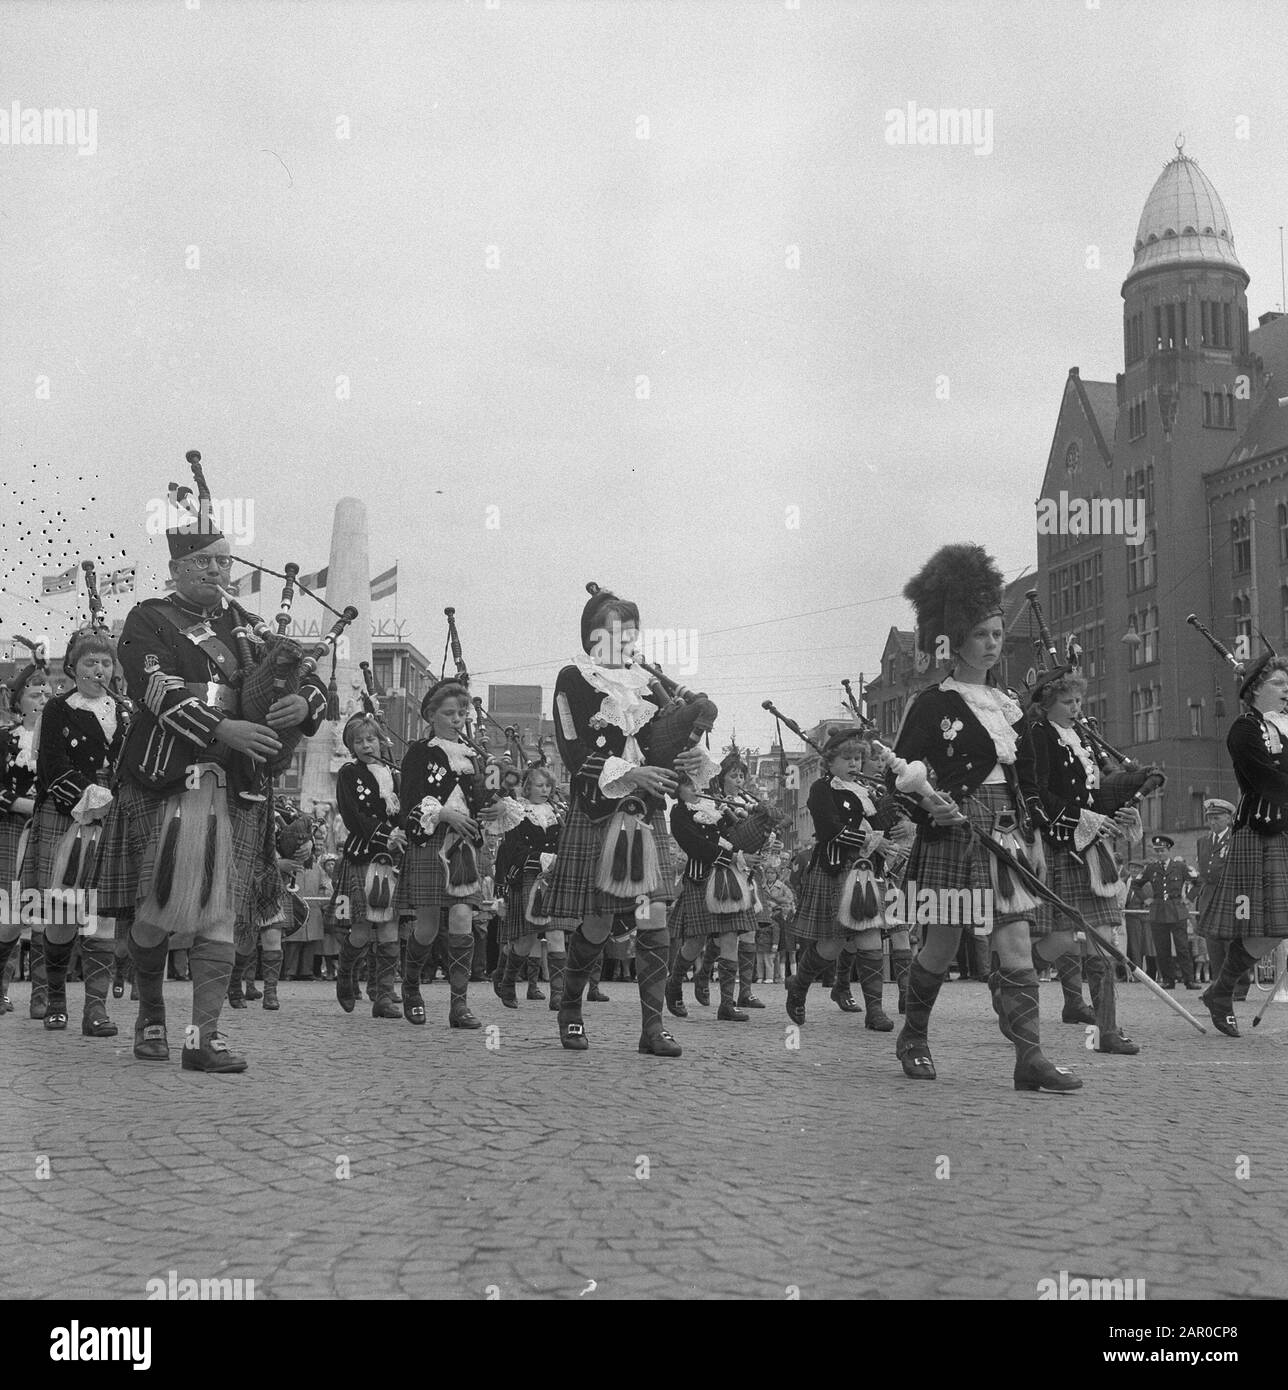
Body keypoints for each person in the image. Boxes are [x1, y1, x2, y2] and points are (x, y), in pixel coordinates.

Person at [90, 454, 328, 1072]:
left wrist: (305, 703)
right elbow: (157, 690)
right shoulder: (146, 619)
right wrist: (222, 725)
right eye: (205, 563)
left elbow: (301, 676)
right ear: (175, 567)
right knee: (153, 915)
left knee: (219, 912)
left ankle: (202, 1038)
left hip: (234, 788)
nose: (218, 571)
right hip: (164, 780)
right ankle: (149, 1014)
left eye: (224, 561)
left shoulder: (244, 623)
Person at [893, 543, 1081, 1092]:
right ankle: (914, 1036)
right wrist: (929, 805)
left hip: (1008, 830)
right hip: (954, 831)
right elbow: (900, 777)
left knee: (1017, 941)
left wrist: (1036, 835)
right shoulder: (933, 704)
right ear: (953, 641)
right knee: (942, 944)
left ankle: (1031, 1058)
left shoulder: (1009, 706)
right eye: (982, 634)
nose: (993, 644)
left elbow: (1025, 779)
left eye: (998, 634)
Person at [543, 582, 708, 1056]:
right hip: (600, 808)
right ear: (593, 637)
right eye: (617, 632)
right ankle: (570, 1008)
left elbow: (667, 742)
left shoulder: (648, 682)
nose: (627, 642)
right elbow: (573, 750)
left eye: (632, 633)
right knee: (596, 924)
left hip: (646, 812)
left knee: (652, 915)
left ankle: (652, 1028)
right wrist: (630, 772)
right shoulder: (573, 679)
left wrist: (690, 761)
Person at [9, 628, 132, 1036]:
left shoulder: (126, 710)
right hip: (67, 816)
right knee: (61, 915)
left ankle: (95, 1009)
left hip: (114, 818)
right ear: (74, 668)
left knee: (104, 917)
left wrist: (117, 800)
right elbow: (50, 765)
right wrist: (86, 800)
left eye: (106, 663)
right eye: (90, 663)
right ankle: (57, 998)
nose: (99, 670)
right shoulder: (59, 709)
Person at [1024, 670, 1143, 1055]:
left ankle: (1108, 1030)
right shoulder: (1039, 736)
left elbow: (1095, 796)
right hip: (1060, 845)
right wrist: (1086, 818)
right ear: (1047, 704)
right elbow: (1038, 791)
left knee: (1104, 938)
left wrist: (1121, 808)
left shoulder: (1084, 741)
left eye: (1078, 701)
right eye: (1067, 702)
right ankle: (1010, 977)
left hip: (1092, 846)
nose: (1076, 708)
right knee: (1060, 938)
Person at [786, 728, 908, 1029]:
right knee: (832, 946)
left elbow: (881, 827)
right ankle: (799, 986)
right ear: (830, 761)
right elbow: (830, 829)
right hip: (836, 868)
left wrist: (897, 821)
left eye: (858, 758)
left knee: (869, 939)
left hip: (868, 872)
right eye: (847, 758)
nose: (855, 763)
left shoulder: (869, 793)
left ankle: (875, 1011)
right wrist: (872, 841)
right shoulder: (821, 789)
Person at [397, 678, 501, 1028]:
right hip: (431, 836)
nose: (457, 719)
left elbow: (490, 798)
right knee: (426, 927)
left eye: (462, 713)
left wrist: (493, 808)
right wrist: (443, 813)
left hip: (466, 843)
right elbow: (409, 803)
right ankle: (411, 986)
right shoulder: (419, 752)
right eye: (449, 713)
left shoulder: (477, 757)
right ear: (431, 714)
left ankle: (459, 1006)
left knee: (461, 917)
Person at [1197, 653, 1288, 1036]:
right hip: (1260, 832)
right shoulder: (1244, 730)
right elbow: (1265, 779)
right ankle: (1222, 990)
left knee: (1274, 926)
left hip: (1284, 833)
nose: (1286, 691)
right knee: (1264, 926)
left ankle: (1219, 989)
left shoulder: (1284, 728)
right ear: (1255, 690)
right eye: (1278, 684)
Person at [665, 767, 772, 1022]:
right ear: (678, 790)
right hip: (701, 880)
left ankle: (727, 1004)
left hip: (728, 879)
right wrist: (733, 856)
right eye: (690, 785)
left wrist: (757, 824)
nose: (696, 789)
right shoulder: (679, 813)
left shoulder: (717, 809)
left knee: (730, 937)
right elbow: (695, 846)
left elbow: (736, 837)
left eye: (698, 784)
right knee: (696, 942)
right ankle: (674, 983)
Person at [330, 714, 406, 1017]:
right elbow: (354, 815)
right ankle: (345, 976)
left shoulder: (394, 774)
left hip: (394, 859)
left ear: (380, 741)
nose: (365, 745)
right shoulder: (349, 774)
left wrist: (405, 831)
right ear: (350, 746)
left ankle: (384, 997)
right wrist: (386, 835)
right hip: (365, 854)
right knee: (361, 929)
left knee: (389, 925)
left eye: (370, 739)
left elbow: (403, 812)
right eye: (358, 741)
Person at [0, 659, 52, 1015]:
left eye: (49, 692)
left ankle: (42, 995)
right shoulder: (5, 739)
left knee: (50, 911)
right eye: (35, 692)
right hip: (13, 826)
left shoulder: (64, 737)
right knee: (10, 914)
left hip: (53, 827)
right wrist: (25, 806)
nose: (44, 698)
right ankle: (2, 986)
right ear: (19, 701)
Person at [491, 764, 564, 1007]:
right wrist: (539, 858)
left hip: (553, 879)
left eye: (548, 786)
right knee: (525, 940)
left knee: (556, 934)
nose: (545, 790)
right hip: (528, 878)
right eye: (540, 785)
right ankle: (508, 983)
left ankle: (558, 994)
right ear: (528, 786)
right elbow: (512, 849)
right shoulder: (517, 811)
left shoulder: (557, 813)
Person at [1194, 798, 1249, 1001]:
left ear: (1229, 818)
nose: (1213, 822)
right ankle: (1218, 986)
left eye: (1217, 818)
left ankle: (1239, 987)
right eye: (1210, 818)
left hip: (1231, 895)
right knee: (1213, 944)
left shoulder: (1237, 838)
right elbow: (1204, 873)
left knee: (1233, 943)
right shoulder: (1204, 841)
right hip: (1210, 896)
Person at [1131, 835, 1200, 990]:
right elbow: (1136, 884)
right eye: (1157, 851)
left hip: (1177, 910)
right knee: (1162, 948)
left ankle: (1189, 979)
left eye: (1162, 851)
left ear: (1169, 850)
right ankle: (1168, 980)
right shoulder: (1151, 868)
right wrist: (1145, 899)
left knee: (1182, 947)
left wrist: (1189, 898)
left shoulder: (1180, 867)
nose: (1160, 854)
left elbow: (1198, 882)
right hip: (1158, 911)